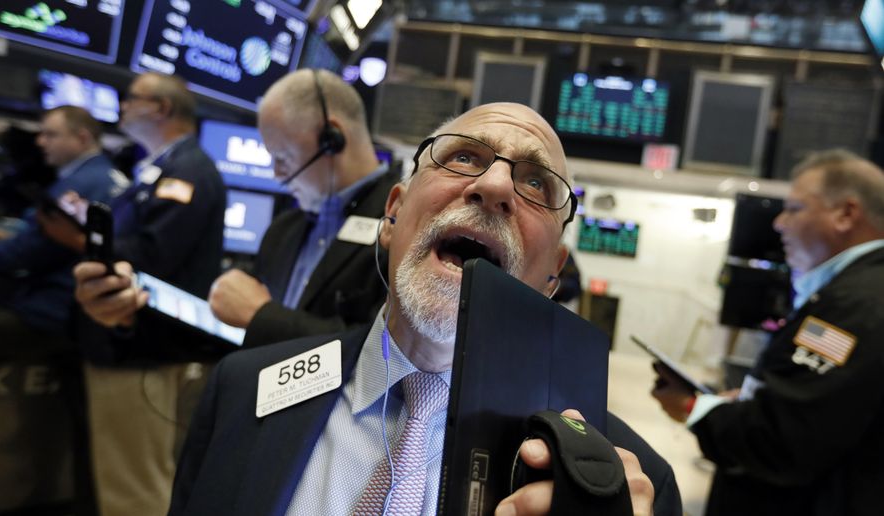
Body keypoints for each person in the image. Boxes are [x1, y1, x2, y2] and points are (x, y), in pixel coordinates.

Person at [167, 103, 681, 515]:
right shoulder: (243, 388)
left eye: (535, 182)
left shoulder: (625, 487)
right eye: (465, 157)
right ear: (392, 215)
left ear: (553, 274)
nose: (495, 186)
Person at [651, 149, 884, 516]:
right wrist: (754, 401)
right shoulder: (857, 292)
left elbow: (782, 441)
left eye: (794, 209)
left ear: (845, 214)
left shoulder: (854, 304)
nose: (779, 223)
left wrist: (695, 407)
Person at [57, 73, 226, 516]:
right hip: (132, 340)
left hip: (141, 344)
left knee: (133, 489)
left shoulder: (187, 170)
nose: (122, 105)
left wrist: (80, 236)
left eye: (131, 98)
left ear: (161, 108)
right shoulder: (162, 167)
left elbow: (154, 255)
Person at [208, 68, 398, 346]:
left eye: (282, 157)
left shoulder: (402, 227)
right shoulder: (282, 230)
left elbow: (381, 350)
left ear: (331, 139)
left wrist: (263, 316)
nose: (277, 175)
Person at [0, 105, 127, 351]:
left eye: (51, 134)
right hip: (77, 306)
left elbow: (27, 251)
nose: (40, 141)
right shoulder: (109, 176)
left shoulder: (80, 184)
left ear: (82, 137)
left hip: (52, 307)